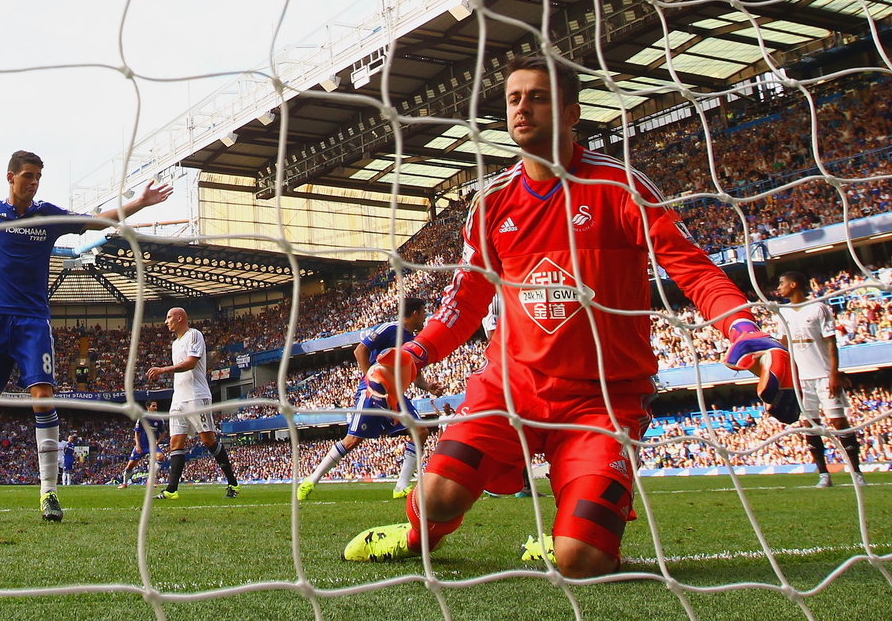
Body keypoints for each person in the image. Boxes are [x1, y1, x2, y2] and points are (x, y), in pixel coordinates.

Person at [341, 55, 796, 578]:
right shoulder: (492, 203)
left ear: (571, 112)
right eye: (514, 98)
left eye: (536, 97)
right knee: (439, 494)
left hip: (604, 399)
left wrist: (746, 332)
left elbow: (693, 271)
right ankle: (419, 535)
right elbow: (465, 301)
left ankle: (580, 531)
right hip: (510, 388)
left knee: (581, 561)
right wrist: (414, 353)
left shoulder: (620, 188)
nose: (522, 107)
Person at [0, 149, 172, 524]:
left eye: (38, 176)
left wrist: (138, 203)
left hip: (32, 320)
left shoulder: (48, 215)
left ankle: (49, 494)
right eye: (27, 176)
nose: (34, 182)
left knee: (43, 396)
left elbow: (97, 221)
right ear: (10, 177)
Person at [297, 297, 443, 501]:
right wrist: (371, 381)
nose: (426, 317)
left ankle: (401, 486)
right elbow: (360, 351)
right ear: (416, 313)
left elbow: (415, 374)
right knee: (352, 440)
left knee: (420, 431)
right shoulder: (390, 329)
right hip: (372, 390)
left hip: (395, 393)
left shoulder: (415, 342)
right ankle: (310, 481)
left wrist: (427, 386)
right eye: (424, 312)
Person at [775, 271, 866, 488]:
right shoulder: (782, 312)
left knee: (838, 422)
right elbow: (783, 346)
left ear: (794, 284)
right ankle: (824, 474)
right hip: (801, 379)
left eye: (782, 284)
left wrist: (834, 373)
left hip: (824, 375)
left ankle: (856, 472)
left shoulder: (818, 308)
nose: (778, 288)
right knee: (810, 425)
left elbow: (831, 344)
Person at [146, 307, 239, 499]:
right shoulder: (175, 344)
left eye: (169, 317)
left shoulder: (194, 335)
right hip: (178, 397)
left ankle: (233, 483)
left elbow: (191, 363)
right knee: (175, 442)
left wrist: (163, 370)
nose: (166, 321)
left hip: (197, 395)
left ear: (179, 318)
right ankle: (172, 490)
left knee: (208, 440)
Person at [118, 400, 168, 488]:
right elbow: (136, 432)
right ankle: (124, 483)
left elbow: (164, 432)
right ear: (148, 407)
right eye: (153, 406)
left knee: (160, 457)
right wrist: (137, 445)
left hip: (152, 445)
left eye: (156, 406)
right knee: (131, 464)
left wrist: (158, 441)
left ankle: (150, 480)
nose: (155, 408)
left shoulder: (159, 419)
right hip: (142, 445)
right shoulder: (142, 418)